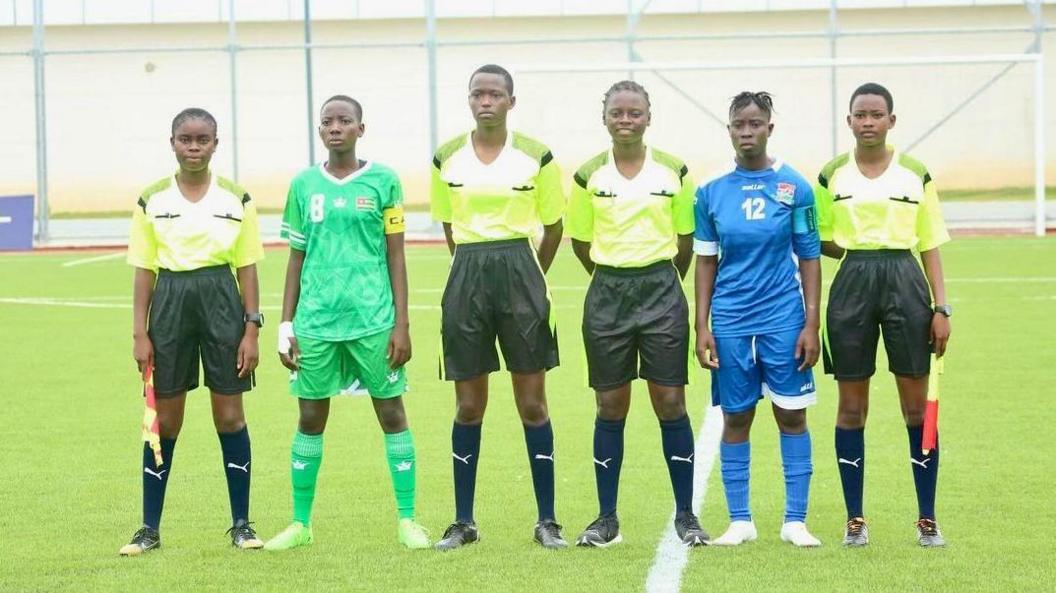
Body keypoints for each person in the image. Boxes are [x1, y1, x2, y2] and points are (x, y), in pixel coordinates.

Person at [263, 95, 430, 551]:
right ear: (320, 130)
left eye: (344, 121)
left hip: (373, 319)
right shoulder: (303, 185)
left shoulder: (384, 181)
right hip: (316, 321)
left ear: (361, 128)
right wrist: (285, 325)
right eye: (327, 122)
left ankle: (408, 520)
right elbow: (295, 258)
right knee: (310, 416)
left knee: (392, 412)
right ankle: (300, 524)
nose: (335, 127)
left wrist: (402, 324)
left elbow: (397, 255)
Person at [566, 80, 707, 548]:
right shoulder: (589, 175)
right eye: (617, 112)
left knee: (670, 402)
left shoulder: (674, 171)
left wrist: (658, 278)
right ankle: (607, 518)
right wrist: (614, 275)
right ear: (603, 116)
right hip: (607, 293)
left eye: (634, 112)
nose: (625, 120)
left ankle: (686, 515)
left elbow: (685, 240)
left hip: (662, 290)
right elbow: (582, 244)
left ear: (649, 117)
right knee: (611, 405)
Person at [430, 64, 567, 550]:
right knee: (469, 406)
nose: (485, 101)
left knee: (532, 403)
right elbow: (448, 226)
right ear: (469, 101)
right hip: (466, 272)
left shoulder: (537, 156)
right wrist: (472, 268)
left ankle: (547, 520)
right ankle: (463, 522)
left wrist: (530, 275)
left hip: (521, 271)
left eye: (495, 94)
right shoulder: (446, 157)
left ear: (511, 101)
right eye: (477, 94)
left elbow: (553, 227)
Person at [121, 107, 264, 555]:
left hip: (222, 301)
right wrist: (139, 333)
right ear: (173, 143)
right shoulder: (152, 199)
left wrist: (251, 329)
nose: (194, 147)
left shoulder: (236, 198)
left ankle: (241, 524)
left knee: (229, 417)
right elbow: (144, 269)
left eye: (203, 139)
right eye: (186, 139)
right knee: (165, 420)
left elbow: (247, 268)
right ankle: (149, 528)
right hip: (171, 304)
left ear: (216, 144)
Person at [815, 82, 951, 548]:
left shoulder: (915, 173)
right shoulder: (831, 175)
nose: (868, 121)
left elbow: (929, 241)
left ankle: (927, 518)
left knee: (916, 406)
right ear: (849, 121)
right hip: (852, 283)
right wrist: (860, 258)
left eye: (877, 114)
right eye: (860, 114)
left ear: (892, 121)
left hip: (906, 280)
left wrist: (941, 306)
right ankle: (855, 519)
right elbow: (819, 239)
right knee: (852, 406)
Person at [694, 92, 823, 548]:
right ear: (729, 129)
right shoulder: (710, 191)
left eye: (755, 123)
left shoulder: (796, 187)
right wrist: (701, 324)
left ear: (770, 127)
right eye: (738, 124)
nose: (746, 131)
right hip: (730, 321)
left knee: (791, 414)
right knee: (737, 416)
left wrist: (811, 323)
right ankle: (740, 521)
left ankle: (795, 521)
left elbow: (809, 257)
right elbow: (705, 262)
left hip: (784, 318)